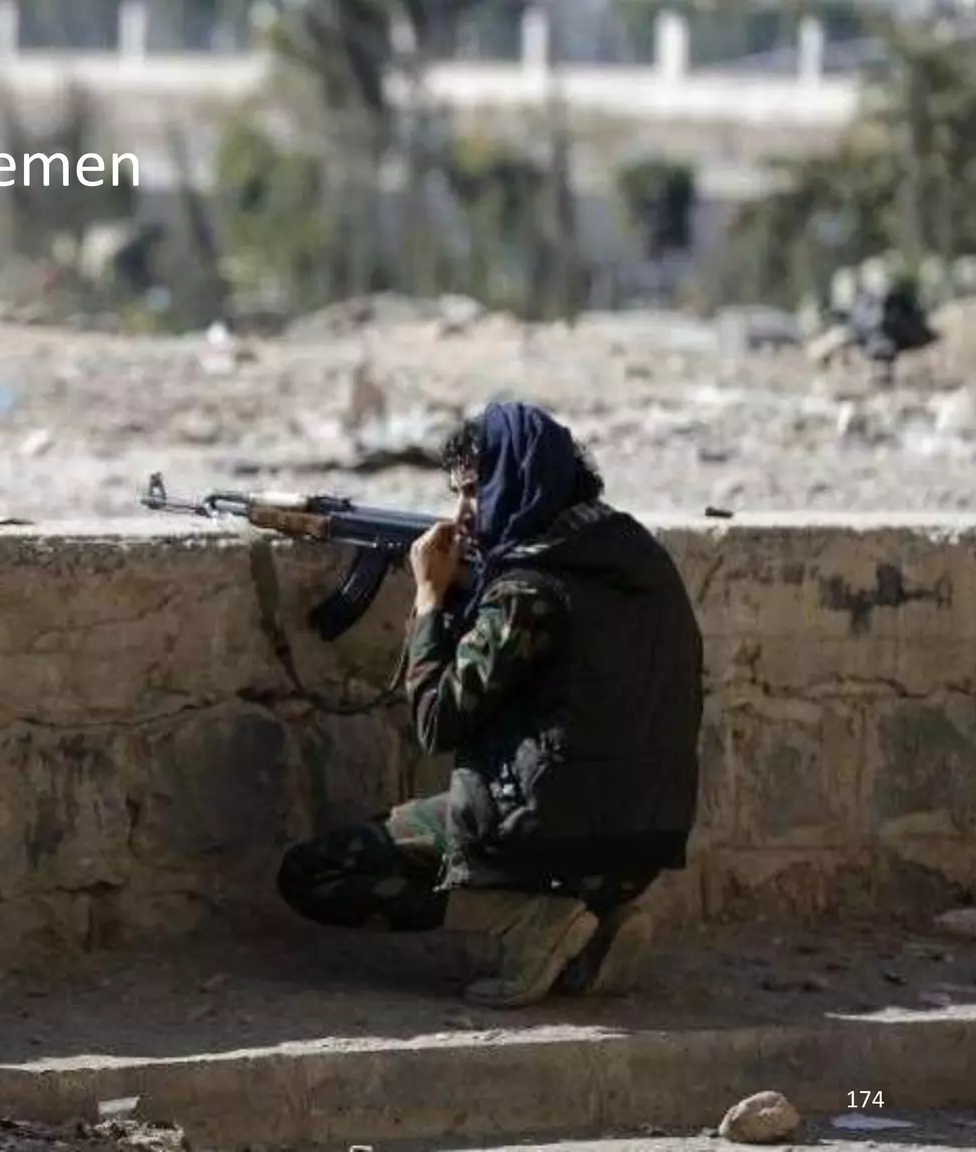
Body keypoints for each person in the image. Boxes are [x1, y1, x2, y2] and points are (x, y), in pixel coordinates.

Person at [277, 402, 703, 1008]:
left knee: (314, 872)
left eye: (477, 492)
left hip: (548, 843)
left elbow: (435, 721)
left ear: (519, 481)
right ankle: (597, 923)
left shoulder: (526, 591)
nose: (463, 517)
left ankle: (527, 918)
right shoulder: (639, 558)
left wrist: (428, 599)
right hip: (639, 847)